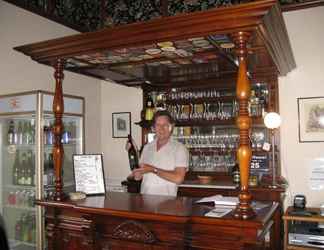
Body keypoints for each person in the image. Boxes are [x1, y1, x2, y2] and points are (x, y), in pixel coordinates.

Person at [131, 110, 189, 196]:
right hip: (144, 201)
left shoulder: (179, 149)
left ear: (171, 127)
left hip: (167, 203)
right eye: (158, 125)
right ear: (154, 128)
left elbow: (178, 178)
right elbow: (143, 173)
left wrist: (153, 169)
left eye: (165, 125)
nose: (161, 128)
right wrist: (138, 175)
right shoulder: (147, 148)